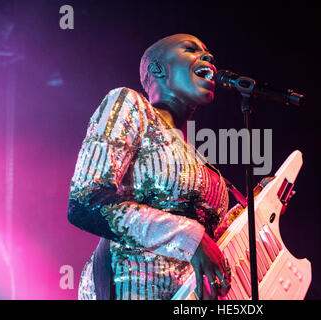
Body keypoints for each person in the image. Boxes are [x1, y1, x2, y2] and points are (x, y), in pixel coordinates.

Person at [67, 34, 234, 300]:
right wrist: (190, 239)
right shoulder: (130, 104)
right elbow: (85, 201)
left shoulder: (202, 163)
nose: (209, 57)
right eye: (191, 49)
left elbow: (211, 240)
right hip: (131, 288)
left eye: (208, 51)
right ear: (158, 69)